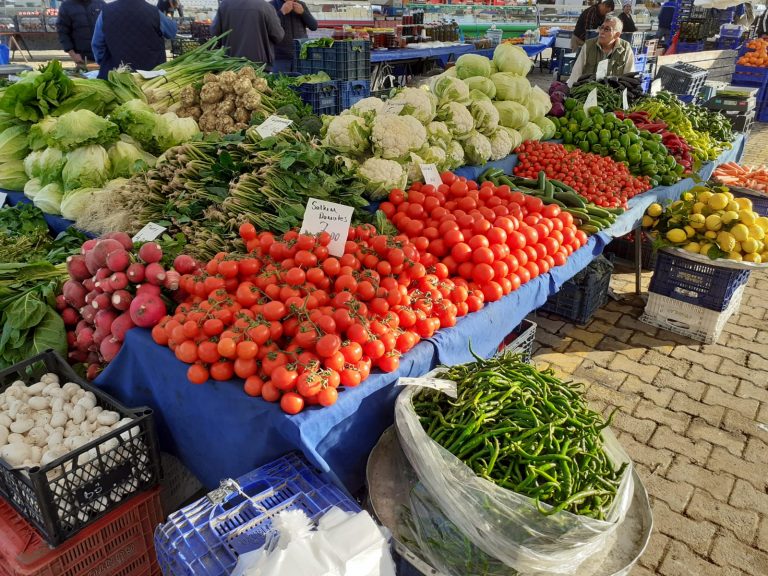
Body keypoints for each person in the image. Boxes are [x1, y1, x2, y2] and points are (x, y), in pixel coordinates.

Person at [91, 0, 177, 80]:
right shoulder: (153, 12)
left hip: (117, 77)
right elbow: (172, 32)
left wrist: (106, 62)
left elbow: (97, 44)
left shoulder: (105, 12)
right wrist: (171, 11)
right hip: (150, 77)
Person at [211, 0, 285, 69]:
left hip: (231, 64)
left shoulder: (224, 5)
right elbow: (278, 36)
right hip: (259, 65)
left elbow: (215, 35)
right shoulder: (266, 7)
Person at [568, 15, 635, 87]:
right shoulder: (589, 45)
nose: (602, 32)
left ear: (617, 35)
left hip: (613, 94)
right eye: (601, 28)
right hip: (588, 91)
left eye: (607, 29)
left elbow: (629, 75)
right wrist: (571, 90)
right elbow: (577, 72)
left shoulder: (625, 48)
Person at [271, 0, 318, 73]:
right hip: (280, 58)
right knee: (281, 83)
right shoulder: (272, 5)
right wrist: (281, 12)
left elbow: (314, 26)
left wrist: (303, 13)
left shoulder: (301, 4)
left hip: (301, 57)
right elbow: (269, 27)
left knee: (302, 83)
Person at [56, 0, 105, 68]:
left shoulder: (100, 3)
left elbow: (109, 28)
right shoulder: (66, 6)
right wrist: (73, 54)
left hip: (103, 57)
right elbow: (62, 32)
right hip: (83, 59)